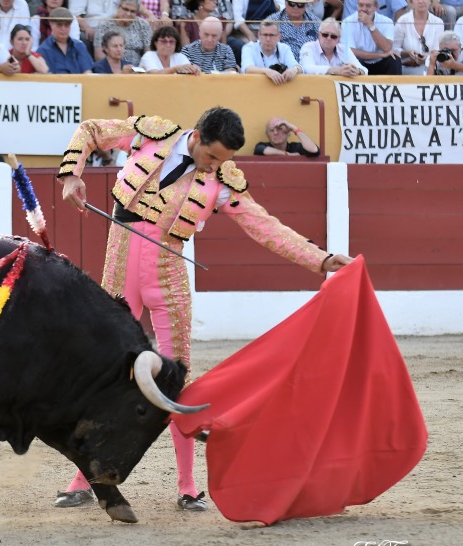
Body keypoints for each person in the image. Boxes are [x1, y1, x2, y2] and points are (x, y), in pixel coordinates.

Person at [53, 106, 353, 510]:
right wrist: (72, 175)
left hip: (169, 271)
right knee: (106, 371)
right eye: (211, 157)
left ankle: (187, 484)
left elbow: (264, 226)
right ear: (196, 136)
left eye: (221, 161)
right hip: (119, 261)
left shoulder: (223, 180)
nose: (213, 166)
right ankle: (83, 477)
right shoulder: (152, 134)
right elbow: (90, 130)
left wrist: (319, 258)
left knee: (177, 374)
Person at [342, 0, 402, 75]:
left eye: (368, 6)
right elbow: (350, 52)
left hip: (380, 63)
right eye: (361, 5)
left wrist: (370, 25)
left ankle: (394, 85)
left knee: (394, 59)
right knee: (354, 61)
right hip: (360, 64)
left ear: (376, 6)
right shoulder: (347, 22)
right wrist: (381, 55)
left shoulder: (387, 21)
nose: (364, 9)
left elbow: (387, 48)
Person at [241, 18, 303, 83]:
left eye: (271, 35)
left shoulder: (284, 48)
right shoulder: (249, 48)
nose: (268, 39)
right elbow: (247, 69)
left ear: (279, 37)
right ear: (259, 35)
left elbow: (299, 67)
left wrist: (294, 70)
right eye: (265, 35)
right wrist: (267, 71)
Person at [300, 17, 368, 74]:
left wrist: (357, 71)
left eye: (333, 36)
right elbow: (307, 68)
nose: (329, 38)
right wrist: (336, 70)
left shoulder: (344, 49)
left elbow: (364, 70)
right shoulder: (308, 47)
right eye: (325, 34)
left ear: (339, 38)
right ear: (319, 35)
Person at [92, 0, 152, 64]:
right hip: (112, 68)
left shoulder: (143, 25)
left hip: (138, 69)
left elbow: (148, 53)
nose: (128, 14)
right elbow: (99, 55)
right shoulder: (104, 25)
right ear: (118, 7)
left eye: (133, 11)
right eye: (125, 9)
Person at [393, 0, 444, 75]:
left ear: (430, 1)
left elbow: (438, 50)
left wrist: (426, 58)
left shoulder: (438, 22)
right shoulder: (402, 21)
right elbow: (394, 49)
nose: (421, 1)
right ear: (411, 2)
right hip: (406, 67)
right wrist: (407, 53)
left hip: (431, 67)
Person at [37, 7, 94, 72]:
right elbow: (47, 77)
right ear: (51, 24)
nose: (63, 29)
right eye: (59, 25)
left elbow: (87, 72)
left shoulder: (79, 46)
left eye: (67, 25)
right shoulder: (43, 50)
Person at [229, 0, 281, 65]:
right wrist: (251, 36)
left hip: (271, 31)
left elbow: (283, 9)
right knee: (249, 46)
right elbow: (238, 19)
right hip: (247, 31)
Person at [254, 116, 320, 156]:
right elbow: (260, 149)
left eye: (280, 129)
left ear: (288, 132)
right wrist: (287, 154)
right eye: (271, 130)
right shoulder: (262, 146)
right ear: (267, 135)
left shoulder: (296, 148)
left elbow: (314, 150)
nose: (275, 133)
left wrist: (293, 128)